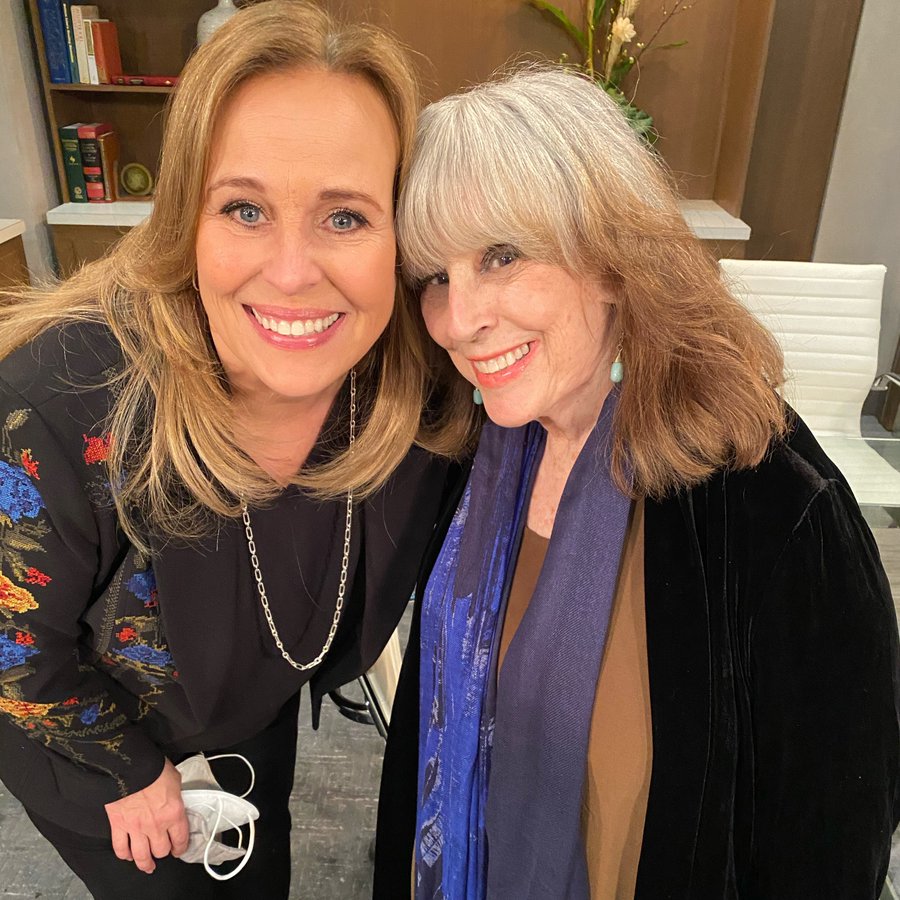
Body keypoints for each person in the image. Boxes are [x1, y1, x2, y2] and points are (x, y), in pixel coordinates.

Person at [373, 67, 900, 900]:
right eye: (435, 276)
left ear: (612, 257)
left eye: (502, 256)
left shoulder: (778, 511)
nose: (459, 320)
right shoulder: (476, 452)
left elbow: (830, 845)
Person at [0, 2, 475, 898]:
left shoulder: (419, 391)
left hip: (249, 707)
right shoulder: (59, 404)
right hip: (94, 736)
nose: (292, 272)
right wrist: (129, 771)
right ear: (187, 220)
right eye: (245, 209)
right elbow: (13, 648)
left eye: (345, 218)